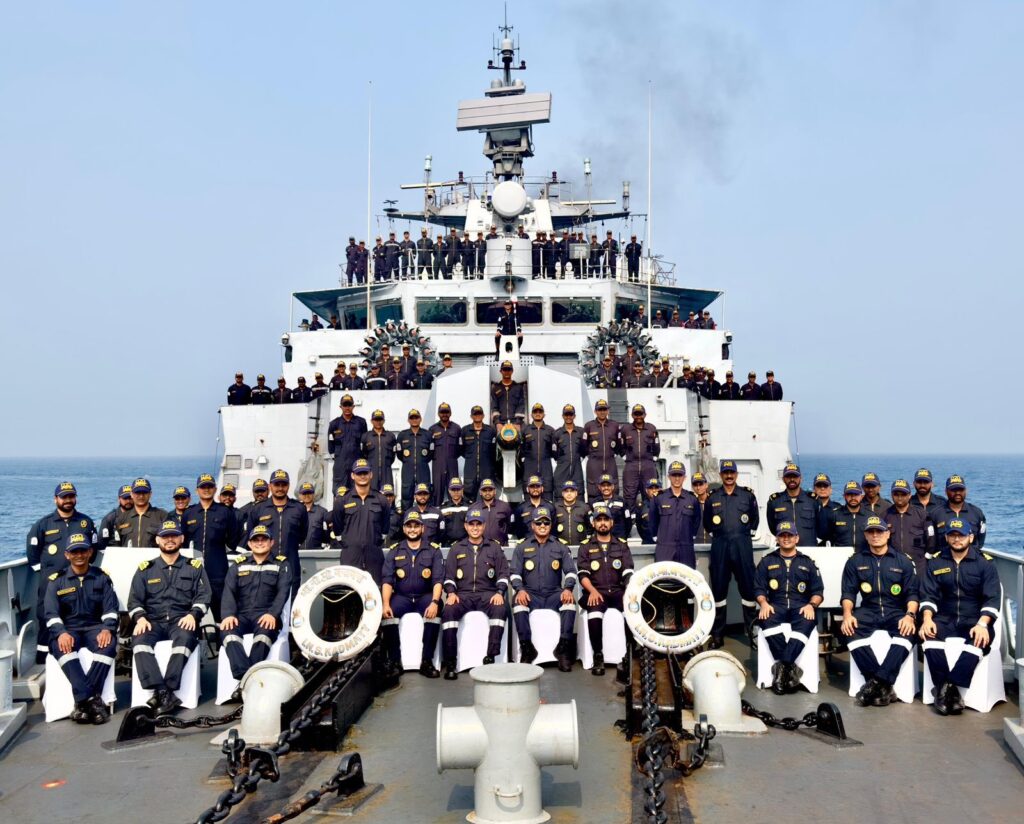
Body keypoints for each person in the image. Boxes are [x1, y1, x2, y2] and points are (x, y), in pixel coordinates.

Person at [127, 520, 211, 714]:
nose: (170, 540)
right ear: (158, 540)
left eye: (174, 536)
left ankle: (166, 690)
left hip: (181, 619)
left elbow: (204, 595)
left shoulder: (194, 567)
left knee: (184, 640)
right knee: (139, 642)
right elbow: (134, 600)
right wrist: (140, 618)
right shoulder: (145, 569)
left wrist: (193, 615)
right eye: (165, 536)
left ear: (182, 539)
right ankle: (162, 690)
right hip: (152, 621)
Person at [919, 518, 1001, 715]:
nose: (957, 539)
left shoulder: (985, 564)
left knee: (978, 642)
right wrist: (927, 619)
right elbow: (928, 595)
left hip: (975, 620)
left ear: (970, 537)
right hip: (944, 618)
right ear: (947, 538)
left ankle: (945, 688)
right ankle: (951, 694)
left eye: (961, 535)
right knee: (928, 637)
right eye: (952, 535)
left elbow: (992, 598)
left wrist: (983, 624)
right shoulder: (936, 562)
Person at [840, 516, 919, 707]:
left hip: (895, 610)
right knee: (849, 630)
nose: (875, 535)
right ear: (866, 535)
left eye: (879, 531)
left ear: (888, 534)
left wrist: (910, 616)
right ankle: (883, 685)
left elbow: (912, 594)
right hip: (869, 609)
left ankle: (876, 682)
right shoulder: (855, 561)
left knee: (908, 632)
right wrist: (847, 615)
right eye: (871, 532)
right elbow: (848, 593)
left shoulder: (903, 561)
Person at [43, 531, 118, 723]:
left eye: (83, 551)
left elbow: (111, 610)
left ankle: (82, 704)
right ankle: (92, 701)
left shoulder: (102, 578)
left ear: (90, 552)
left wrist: (107, 629)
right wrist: (61, 633)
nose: (79, 555)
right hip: (69, 630)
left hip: (95, 628)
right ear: (67, 554)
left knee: (108, 646)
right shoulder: (56, 581)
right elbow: (51, 614)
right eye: (74, 552)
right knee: (62, 648)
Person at [27, 482, 99, 663]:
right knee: (46, 614)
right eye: (64, 497)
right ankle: (43, 658)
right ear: (56, 499)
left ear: (75, 498)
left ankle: (76, 652)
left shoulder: (85, 522)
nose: (68, 500)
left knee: (77, 613)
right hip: (51, 581)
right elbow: (33, 553)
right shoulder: (43, 524)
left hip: (79, 578)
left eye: (71, 496)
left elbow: (94, 549)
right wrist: (46, 573)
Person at [218, 525, 292, 700]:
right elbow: (229, 591)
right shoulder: (238, 564)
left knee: (263, 636)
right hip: (241, 615)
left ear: (271, 542)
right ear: (250, 544)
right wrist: (228, 615)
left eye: (263, 539)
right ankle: (247, 679)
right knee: (228, 632)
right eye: (255, 540)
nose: (259, 543)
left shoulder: (281, 564)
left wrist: (273, 614)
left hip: (266, 614)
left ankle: (242, 684)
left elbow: (283, 592)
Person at [754, 521, 825, 695]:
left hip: (800, 606)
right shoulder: (766, 561)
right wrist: (763, 603)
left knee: (808, 621)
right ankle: (791, 669)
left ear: (796, 538)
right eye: (782, 535)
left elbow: (818, 591)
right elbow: (758, 589)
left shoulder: (807, 562)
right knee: (764, 618)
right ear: (777, 539)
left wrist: (811, 605)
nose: (786, 539)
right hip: (775, 605)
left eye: (790, 535)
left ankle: (782, 667)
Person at [440, 508, 510, 679]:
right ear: (466, 526)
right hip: (462, 595)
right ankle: (451, 662)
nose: (475, 528)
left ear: (484, 526)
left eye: (478, 524)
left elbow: (503, 574)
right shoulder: (456, 548)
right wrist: (451, 593)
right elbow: (448, 577)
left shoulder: (494, 547)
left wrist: (499, 592)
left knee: (500, 608)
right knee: (448, 611)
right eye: (472, 524)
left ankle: (491, 656)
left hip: (487, 593)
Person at [510, 507, 578, 670]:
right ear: (532, 525)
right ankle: (527, 649)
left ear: (550, 525)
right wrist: (520, 589)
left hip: (554, 594)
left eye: (546, 523)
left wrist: (568, 589)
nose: (542, 525)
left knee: (569, 603)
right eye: (539, 522)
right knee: (518, 604)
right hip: (531, 594)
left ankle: (563, 649)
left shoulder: (560, 546)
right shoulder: (522, 547)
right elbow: (514, 574)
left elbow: (571, 571)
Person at [380, 511, 444, 678]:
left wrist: (434, 602)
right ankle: (395, 661)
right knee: (388, 614)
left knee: (436, 611)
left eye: (416, 526)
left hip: (425, 596)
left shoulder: (433, 550)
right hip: (402, 597)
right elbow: (387, 580)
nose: (413, 529)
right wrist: (385, 604)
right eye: (409, 526)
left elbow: (438, 580)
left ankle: (427, 661)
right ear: (404, 528)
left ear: (422, 528)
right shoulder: (395, 550)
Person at [704, 459, 759, 647]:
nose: (729, 476)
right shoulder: (712, 498)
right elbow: (708, 524)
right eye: (725, 472)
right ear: (721, 475)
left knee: (749, 591)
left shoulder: (747, 496)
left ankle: (752, 633)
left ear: (736, 474)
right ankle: (718, 635)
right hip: (720, 548)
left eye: (731, 473)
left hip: (743, 547)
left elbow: (754, 521)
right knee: (719, 592)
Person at [577, 504, 634, 675]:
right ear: (593, 523)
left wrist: (629, 591)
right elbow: (582, 575)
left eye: (606, 520)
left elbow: (628, 572)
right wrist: (592, 591)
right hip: (597, 591)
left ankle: (630, 654)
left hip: (617, 591)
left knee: (632, 609)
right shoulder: (585, 546)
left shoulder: (621, 545)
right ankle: (598, 656)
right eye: (599, 520)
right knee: (594, 612)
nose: (602, 523)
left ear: (612, 523)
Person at [182, 473, 240, 620]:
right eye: (203, 487)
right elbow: (183, 542)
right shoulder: (189, 513)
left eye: (209, 486)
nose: (206, 489)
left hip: (218, 570)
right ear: (197, 490)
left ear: (215, 489)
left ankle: (221, 634)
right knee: (190, 609)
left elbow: (233, 539)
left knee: (219, 610)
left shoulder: (225, 512)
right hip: (192, 570)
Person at [248, 469, 308, 597]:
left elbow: (302, 534)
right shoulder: (258, 509)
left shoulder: (299, 508)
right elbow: (251, 535)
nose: (280, 488)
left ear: (288, 486)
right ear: (270, 486)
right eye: (277, 484)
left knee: (291, 602)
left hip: (291, 564)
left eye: (283, 484)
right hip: (264, 566)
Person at [331, 459, 391, 584]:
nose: (362, 476)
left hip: (374, 556)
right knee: (350, 591)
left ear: (371, 474)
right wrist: (350, 544)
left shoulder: (381, 500)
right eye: (359, 473)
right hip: (350, 555)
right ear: (352, 475)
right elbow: (337, 529)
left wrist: (372, 543)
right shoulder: (342, 501)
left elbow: (385, 529)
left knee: (374, 590)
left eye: (365, 473)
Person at [649, 461, 701, 565]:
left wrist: (691, 536)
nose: (677, 479)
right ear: (668, 477)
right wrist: (656, 536)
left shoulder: (692, 498)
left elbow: (696, 519)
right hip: (665, 547)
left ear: (684, 477)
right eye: (674, 475)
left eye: (680, 475)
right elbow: (653, 520)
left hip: (686, 547)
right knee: (664, 574)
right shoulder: (659, 498)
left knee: (686, 574)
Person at [926, 474, 987, 551]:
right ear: (946, 491)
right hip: (943, 557)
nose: (957, 493)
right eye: (953, 490)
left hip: (971, 557)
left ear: (966, 491)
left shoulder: (977, 513)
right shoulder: (935, 514)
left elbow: (981, 538)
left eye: (961, 490)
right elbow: (930, 539)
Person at [766, 463, 818, 546]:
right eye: (788, 476)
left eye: (795, 476)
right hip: (785, 548)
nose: (792, 479)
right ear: (783, 479)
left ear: (801, 479)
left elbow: (820, 526)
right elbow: (773, 527)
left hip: (808, 548)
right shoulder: (775, 501)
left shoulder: (812, 500)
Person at [884, 479, 929, 574]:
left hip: (919, 565)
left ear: (909, 495)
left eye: (903, 494)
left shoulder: (922, 514)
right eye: (896, 494)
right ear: (891, 495)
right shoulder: (884, 516)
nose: (900, 498)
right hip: (892, 564)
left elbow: (931, 540)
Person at [620, 404, 660, 510]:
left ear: (645, 415)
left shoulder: (651, 429)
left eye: (640, 414)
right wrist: (624, 456)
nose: (638, 416)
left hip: (648, 465)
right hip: (631, 465)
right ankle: (630, 517)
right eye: (636, 414)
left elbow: (656, 446)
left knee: (650, 493)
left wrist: (653, 458)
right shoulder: (625, 429)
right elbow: (621, 445)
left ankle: (649, 516)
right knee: (629, 495)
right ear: (632, 415)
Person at [583, 399, 623, 501]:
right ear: (595, 411)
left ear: (608, 411)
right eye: (599, 409)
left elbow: (619, 444)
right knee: (593, 490)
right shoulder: (589, 426)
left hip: (610, 462)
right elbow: (584, 445)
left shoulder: (614, 425)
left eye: (604, 409)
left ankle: (613, 509)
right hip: (594, 463)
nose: (602, 412)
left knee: (613, 489)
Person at [328, 394, 368, 494]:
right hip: (340, 465)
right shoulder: (334, 424)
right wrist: (339, 458)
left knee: (357, 491)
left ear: (353, 406)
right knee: (339, 492)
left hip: (356, 463)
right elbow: (331, 445)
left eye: (349, 405)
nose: (347, 408)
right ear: (340, 407)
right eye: (345, 405)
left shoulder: (361, 422)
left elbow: (365, 443)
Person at [817, 481, 872, 552]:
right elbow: (823, 538)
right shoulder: (834, 515)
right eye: (849, 494)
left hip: (864, 556)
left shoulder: (870, 516)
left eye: (856, 494)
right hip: (840, 556)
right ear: (844, 496)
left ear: (861, 496)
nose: (853, 498)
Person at [113, 477, 167, 548]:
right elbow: (115, 545)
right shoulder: (122, 518)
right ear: (131, 494)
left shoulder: (162, 516)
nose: (141, 496)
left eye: (144, 492)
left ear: (150, 494)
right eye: (137, 493)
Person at [396, 409, 433, 510]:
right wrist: (408, 462)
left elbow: (431, 454)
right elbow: (399, 454)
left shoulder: (427, 434)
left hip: (423, 470)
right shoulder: (402, 435)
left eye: (416, 417)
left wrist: (422, 461)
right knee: (406, 496)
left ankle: (427, 517)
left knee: (425, 496)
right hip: (407, 470)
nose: (414, 420)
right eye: (412, 418)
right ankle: (406, 517)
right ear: (408, 420)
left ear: (420, 419)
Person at [460, 404, 497, 501]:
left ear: (483, 415)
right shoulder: (465, 431)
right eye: (475, 414)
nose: (477, 416)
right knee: (469, 500)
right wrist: (471, 457)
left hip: (486, 472)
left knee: (487, 498)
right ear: (471, 416)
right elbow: (461, 450)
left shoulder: (491, 431)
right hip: (470, 472)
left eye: (479, 414)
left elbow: (494, 451)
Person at [428, 403, 461, 505]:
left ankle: (454, 511)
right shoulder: (432, 429)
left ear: (450, 413)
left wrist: (452, 458)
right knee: (437, 491)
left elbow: (460, 448)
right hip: (438, 465)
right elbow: (429, 449)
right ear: (438, 414)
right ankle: (437, 510)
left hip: (452, 464)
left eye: (446, 412)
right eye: (442, 412)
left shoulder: (457, 428)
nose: (444, 414)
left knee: (454, 490)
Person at [519, 403, 555, 497]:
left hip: (546, 469)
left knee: (547, 497)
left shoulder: (550, 430)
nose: (538, 414)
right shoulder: (525, 430)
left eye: (540, 412)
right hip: (529, 469)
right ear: (531, 415)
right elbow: (521, 450)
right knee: (529, 498)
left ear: (544, 414)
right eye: (535, 412)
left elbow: (554, 451)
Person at [361, 409, 397, 491]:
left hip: (386, 471)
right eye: (376, 419)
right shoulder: (366, 436)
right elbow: (363, 454)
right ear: (371, 421)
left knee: (387, 494)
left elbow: (393, 455)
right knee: (371, 494)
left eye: (380, 419)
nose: (378, 422)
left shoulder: (390, 436)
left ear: (384, 421)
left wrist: (386, 464)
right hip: (372, 472)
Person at [552, 404, 586, 491]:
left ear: (574, 416)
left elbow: (585, 449)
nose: (568, 417)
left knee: (579, 494)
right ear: (563, 416)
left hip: (577, 470)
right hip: (561, 470)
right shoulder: (557, 433)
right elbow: (554, 453)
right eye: (566, 414)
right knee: (559, 494)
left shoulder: (581, 432)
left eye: (570, 414)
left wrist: (579, 458)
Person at [554, 480, 591, 547]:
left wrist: (586, 542)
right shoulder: (555, 507)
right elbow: (551, 529)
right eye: (566, 491)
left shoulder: (585, 507)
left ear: (576, 493)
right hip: (560, 547)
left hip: (581, 547)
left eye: (572, 491)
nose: (569, 494)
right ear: (562, 493)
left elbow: (590, 528)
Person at [475, 479, 512, 545]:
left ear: (495, 491)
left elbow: (509, 525)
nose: (487, 493)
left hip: (501, 546)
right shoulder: (474, 508)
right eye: (484, 490)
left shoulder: (504, 506)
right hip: (480, 546)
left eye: (490, 490)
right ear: (480, 492)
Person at [594, 475, 632, 540]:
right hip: (601, 539)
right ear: (599, 487)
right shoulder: (595, 503)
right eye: (603, 486)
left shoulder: (621, 501)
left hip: (619, 539)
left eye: (608, 485)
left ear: (613, 486)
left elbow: (628, 522)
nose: (606, 488)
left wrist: (623, 536)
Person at [490, 360, 526, 426]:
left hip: (516, 422)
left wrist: (518, 422)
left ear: (512, 371)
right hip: (500, 423)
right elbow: (494, 406)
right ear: (501, 371)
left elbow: (521, 405)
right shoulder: (495, 388)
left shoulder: (518, 387)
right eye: (504, 370)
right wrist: (497, 423)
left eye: (509, 370)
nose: (507, 372)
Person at [98, 484, 133, 550]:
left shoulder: (139, 517)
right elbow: (101, 543)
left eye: (130, 498)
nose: (128, 501)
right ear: (119, 499)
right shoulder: (109, 519)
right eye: (125, 498)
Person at [298, 481, 330, 549]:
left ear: (314, 494)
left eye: (309, 493)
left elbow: (327, 535)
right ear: (300, 495)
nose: (307, 495)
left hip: (316, 552)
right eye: (304, 493)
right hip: (297, 552)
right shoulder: (295, 511)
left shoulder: (322, 512)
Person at [440, 478, 469, 546]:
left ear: (462, 490)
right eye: (453, 489)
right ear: (449, 491)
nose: (456, 492)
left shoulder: (469, 506)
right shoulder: (443, 508)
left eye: (458, 489)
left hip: (466, 543)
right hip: (447, 543)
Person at [691, 471, 713, 544]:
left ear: (706, 485)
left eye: (701, 484)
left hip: (713, 543)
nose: (698, 487)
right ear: (692, 487)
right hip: (695, 544)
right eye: (695, 485)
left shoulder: (714, 502)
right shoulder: (691, 505)